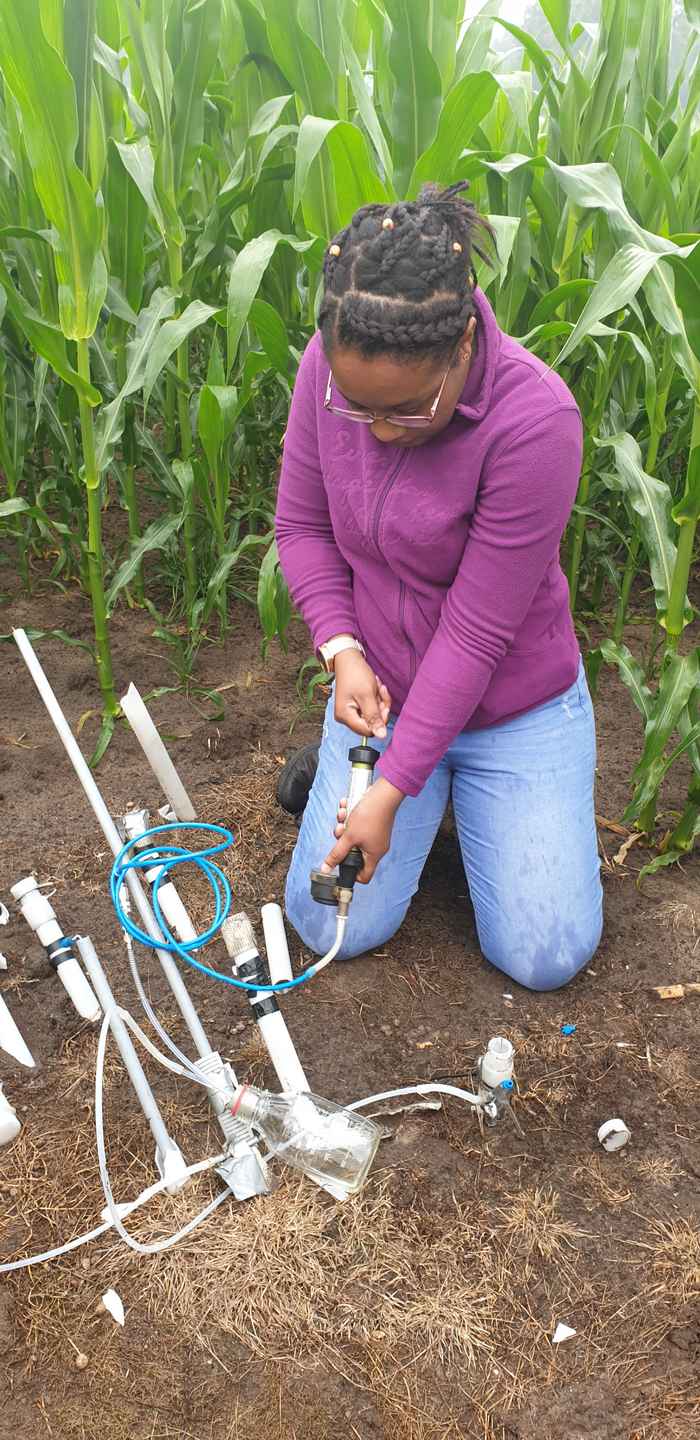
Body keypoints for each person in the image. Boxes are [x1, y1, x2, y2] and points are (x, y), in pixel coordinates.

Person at [274, 182, 602, 992]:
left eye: (407, 412)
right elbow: (302, 528)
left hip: (510, 708)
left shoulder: (535, 422)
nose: (380, 433)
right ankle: (413, 794)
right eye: (359, 409)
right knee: (328, 927)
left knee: (543, 956)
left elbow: (476, 634)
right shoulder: (330, 365)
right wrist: (344, 651)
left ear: (462, 344)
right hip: (380, 691)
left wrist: (389, 787)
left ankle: (477, 797)